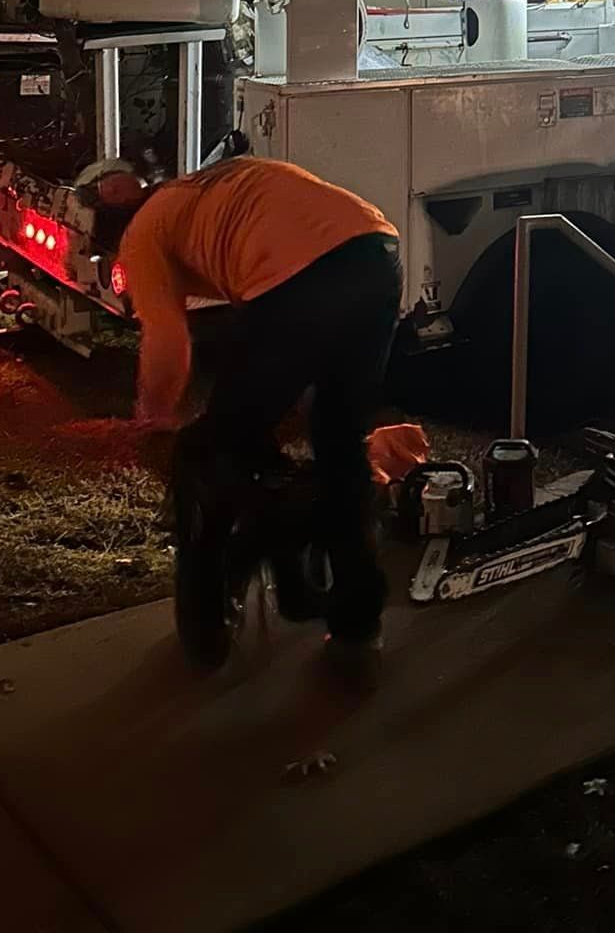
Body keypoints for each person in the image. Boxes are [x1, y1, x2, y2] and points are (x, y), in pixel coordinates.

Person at [89, 153, 402, 659]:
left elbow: (168, 339)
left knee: (204, 454)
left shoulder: (140, 236)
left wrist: (156, 412)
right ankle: (356, 623)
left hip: (300, 278)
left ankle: (209, 620)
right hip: (376, 251)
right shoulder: (202, 194)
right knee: (338, 444)